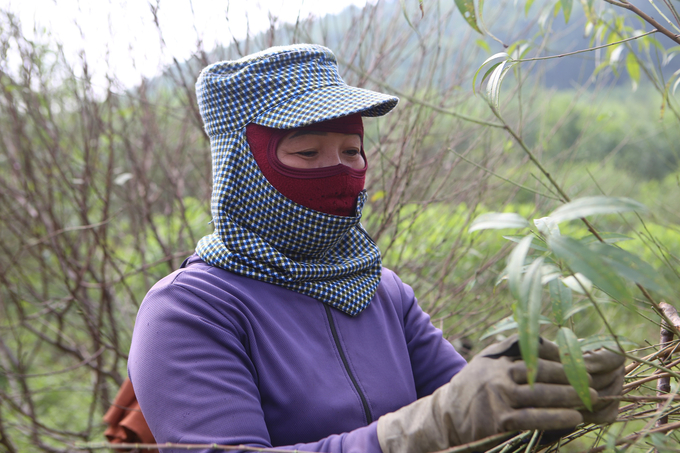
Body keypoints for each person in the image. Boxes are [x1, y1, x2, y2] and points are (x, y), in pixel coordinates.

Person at [127, 44, 625, 453]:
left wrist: (550, 402)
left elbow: (472, 415)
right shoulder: (191, 310)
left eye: (351, 150)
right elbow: (441, 423)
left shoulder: (381, 291)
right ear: (244, 169)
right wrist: (407, 435)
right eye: (306, 152)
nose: (341, 170)